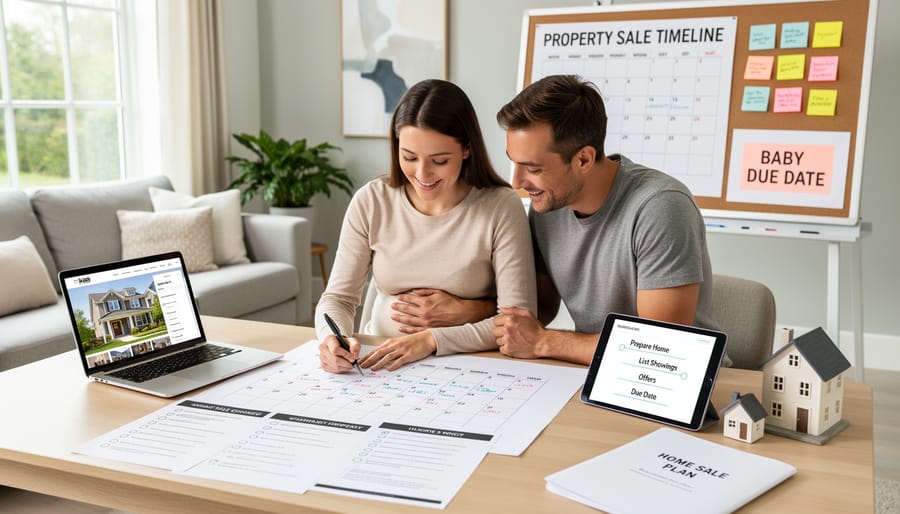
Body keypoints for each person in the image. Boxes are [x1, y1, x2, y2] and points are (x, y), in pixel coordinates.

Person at [390, 74, 722, 367]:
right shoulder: (547, 208)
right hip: (591, 371)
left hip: (677, 384)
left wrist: (545, 342)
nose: (517, 183)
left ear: (583, 159)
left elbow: (659, 347)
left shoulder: (660, 207)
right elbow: (537, 312)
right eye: (514, 164)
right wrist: (468, 311)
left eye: (533, 169)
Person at [315, 79, 537, 373]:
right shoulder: (372, 200)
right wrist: (333, 338)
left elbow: (517, 321)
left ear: (467, 149)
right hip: (377, 364)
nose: (422, 174)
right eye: (409, 157)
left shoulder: (500, 206)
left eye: (440, 160)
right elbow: (338, 299)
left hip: (470, 365)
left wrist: (431, 340)